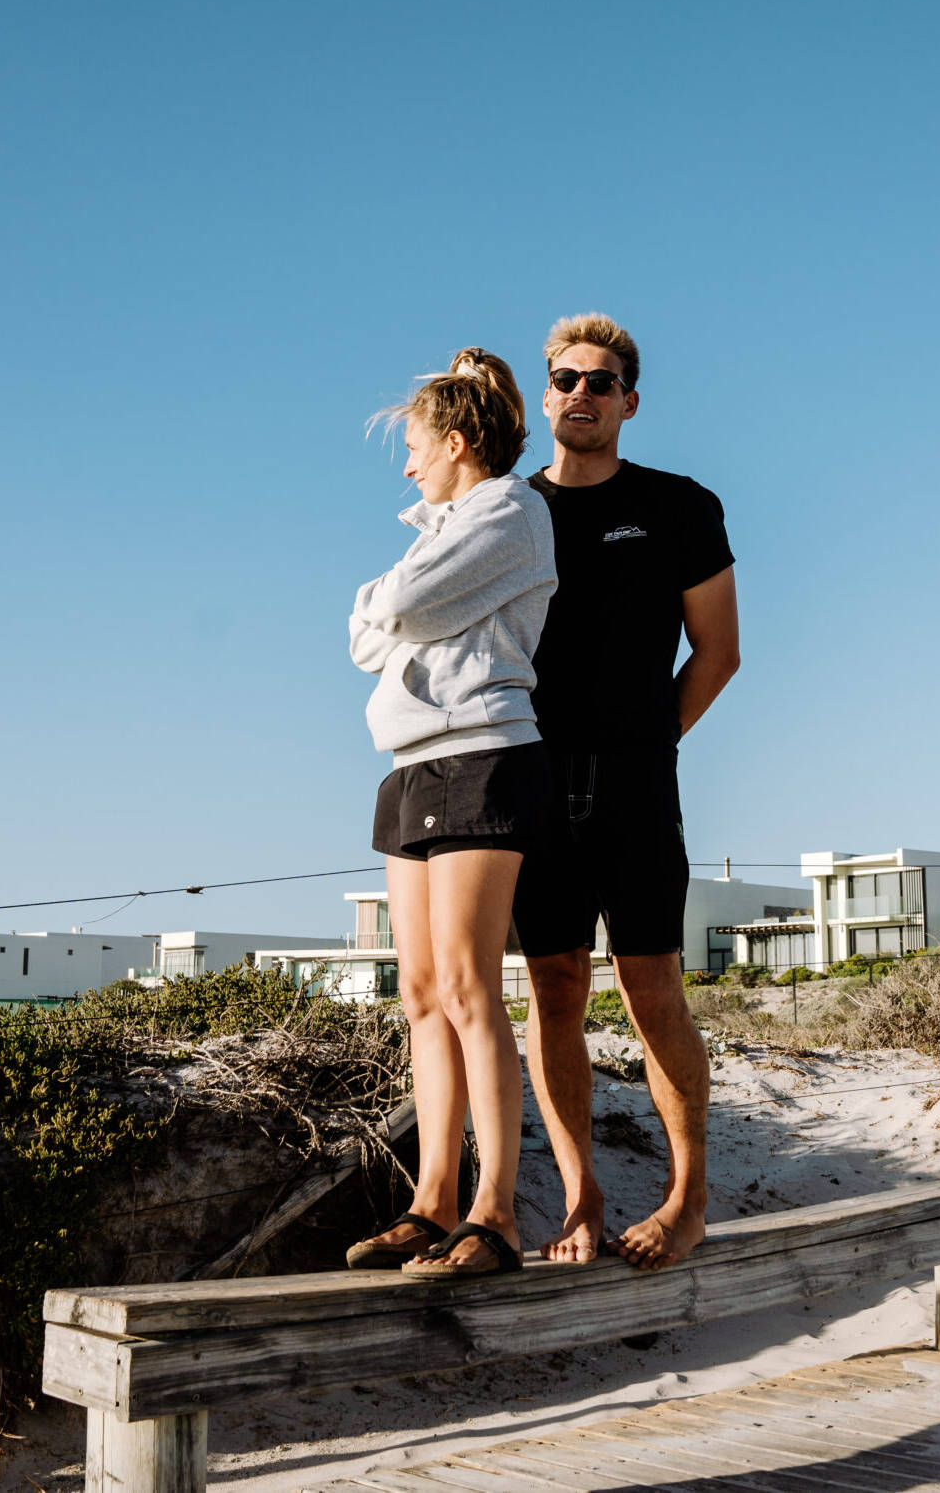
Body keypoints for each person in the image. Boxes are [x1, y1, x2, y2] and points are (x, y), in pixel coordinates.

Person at [512, 312, 740, 1271]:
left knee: (651, 991)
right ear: (546, 394)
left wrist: (648, 746)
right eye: (564, 379)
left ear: (628, 401)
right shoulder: (507, 511)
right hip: (528, 784)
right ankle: (580, 1194)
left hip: (638, 788)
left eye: (600, 382)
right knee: (553, 990)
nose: (580, 394)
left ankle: (686, 1197)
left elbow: (718, 653)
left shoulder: (681, 505)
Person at [345, 349, 556, 1279]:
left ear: (460, 443)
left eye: (417, 446)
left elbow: (401, 604)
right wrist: (392, 606)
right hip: (409, 764)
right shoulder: (435, 528)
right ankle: (432, 1203)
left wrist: (393, 605)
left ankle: (496, 1213)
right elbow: (364, 634)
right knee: (420, 994)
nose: (406, 466)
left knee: (473, 988)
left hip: (481, 752)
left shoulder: (510, 510)